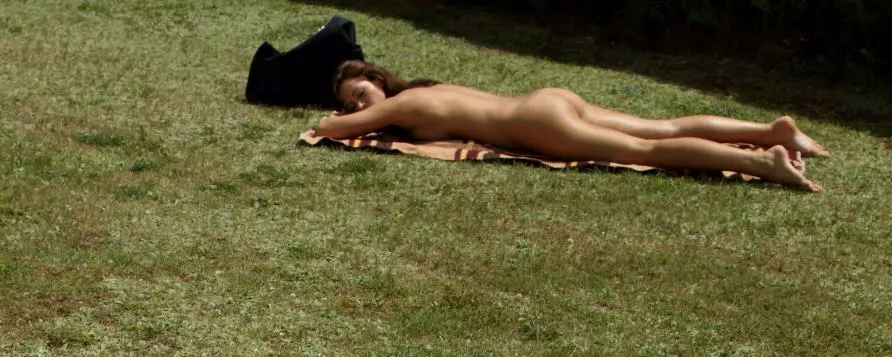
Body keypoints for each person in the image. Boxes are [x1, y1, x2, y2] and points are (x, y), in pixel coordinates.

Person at [313, 61, 829, 192]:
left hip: (537, 121)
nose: (358, 104)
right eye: (351, 101)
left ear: (376, 80)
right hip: (548, 100)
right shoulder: (427, 89)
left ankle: (764, 162)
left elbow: (328, 130)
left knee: (645, 150)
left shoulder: (398, 105)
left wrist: (336, 117)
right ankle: (772, 131)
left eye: (359, 93)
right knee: (663, 128)